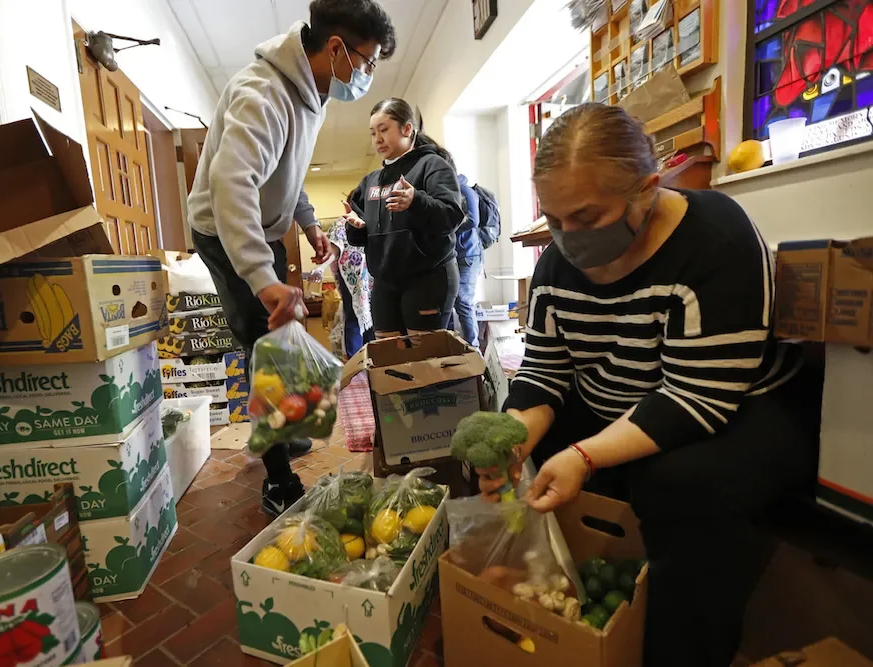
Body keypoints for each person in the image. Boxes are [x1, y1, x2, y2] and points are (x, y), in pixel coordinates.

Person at [475, 104, 818, 667]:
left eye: (586, 218)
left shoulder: (716, 240)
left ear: (647, 191)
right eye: (555, 220)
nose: (568, 239)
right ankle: (577, 626)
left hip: (740, 406)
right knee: (536, 462)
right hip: (623, 398)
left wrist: (586, 455)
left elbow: (697, 397)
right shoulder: (555, 268)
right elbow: (544, 372)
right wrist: (512, 439)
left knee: (679, 484)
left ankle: (679, 650)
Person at [187, 0, 396, 516]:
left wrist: (306, 223)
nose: (366, 75)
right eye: (366, 62)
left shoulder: (312, 95)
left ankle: (291, 427)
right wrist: (262, 277)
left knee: (284, 334)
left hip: (264, 225)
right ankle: (278, 481)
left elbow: (288, 169)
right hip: (223, 230)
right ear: (336, 48)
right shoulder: (262, 94)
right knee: (264, 341)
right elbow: (231, 186)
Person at [342, 98, 464, 338]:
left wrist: (415, 201)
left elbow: (452, 216)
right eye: (373, 132)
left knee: (423, 361)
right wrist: (357, 227)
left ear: (407, 129)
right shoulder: (371, 181)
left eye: (384, 130)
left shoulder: (432, 166)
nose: (377, 139)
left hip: (427, 277)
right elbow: (361, 235)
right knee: (389, 358)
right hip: (385, 281)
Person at [328, 216, 375, 357]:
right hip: (353, 280)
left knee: (373, 320)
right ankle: (357, 366)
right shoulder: (342, 223)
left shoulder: (375, 218)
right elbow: (332, 251)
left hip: (373, 276)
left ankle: (368, 362)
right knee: (356, 319)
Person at [450, 173, 483, 347]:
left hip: (467, 254)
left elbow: (473, 220)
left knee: (463, 301)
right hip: (450, 254)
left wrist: (445, 226)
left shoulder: (465, 190)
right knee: (449, 301)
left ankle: (473, 348)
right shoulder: (445, 190)